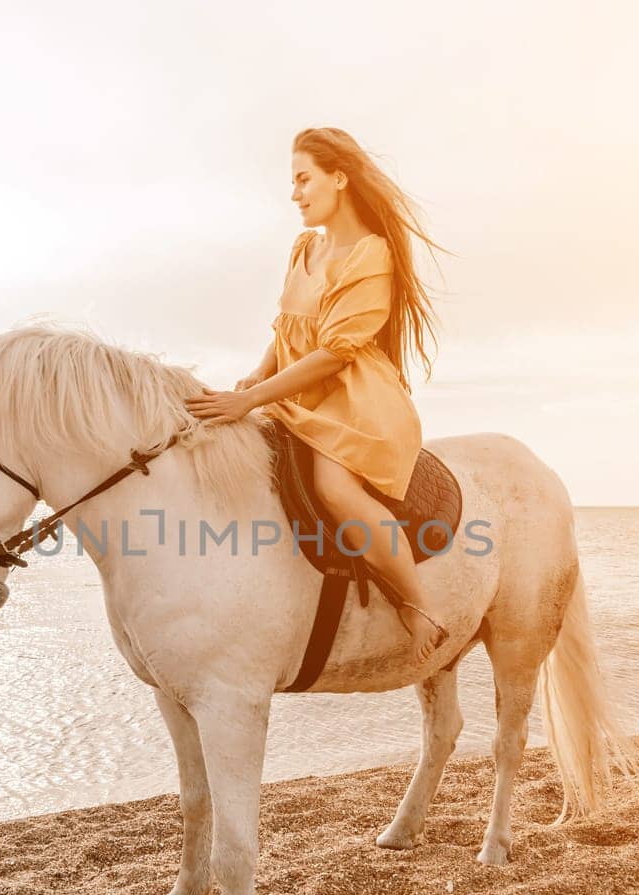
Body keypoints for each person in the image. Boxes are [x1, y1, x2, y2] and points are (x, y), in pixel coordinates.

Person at [186, 126, 450, 665]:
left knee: (334, 488)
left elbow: (335, 352)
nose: (295, 193)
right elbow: (286, 328)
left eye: (303, 179)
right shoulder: (305, 247)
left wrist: (254, 399)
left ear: (339, 178)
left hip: (355, 403)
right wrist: (252, 381)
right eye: (293, 181)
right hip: (296, 391)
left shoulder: (371, 254)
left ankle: (418, 606)